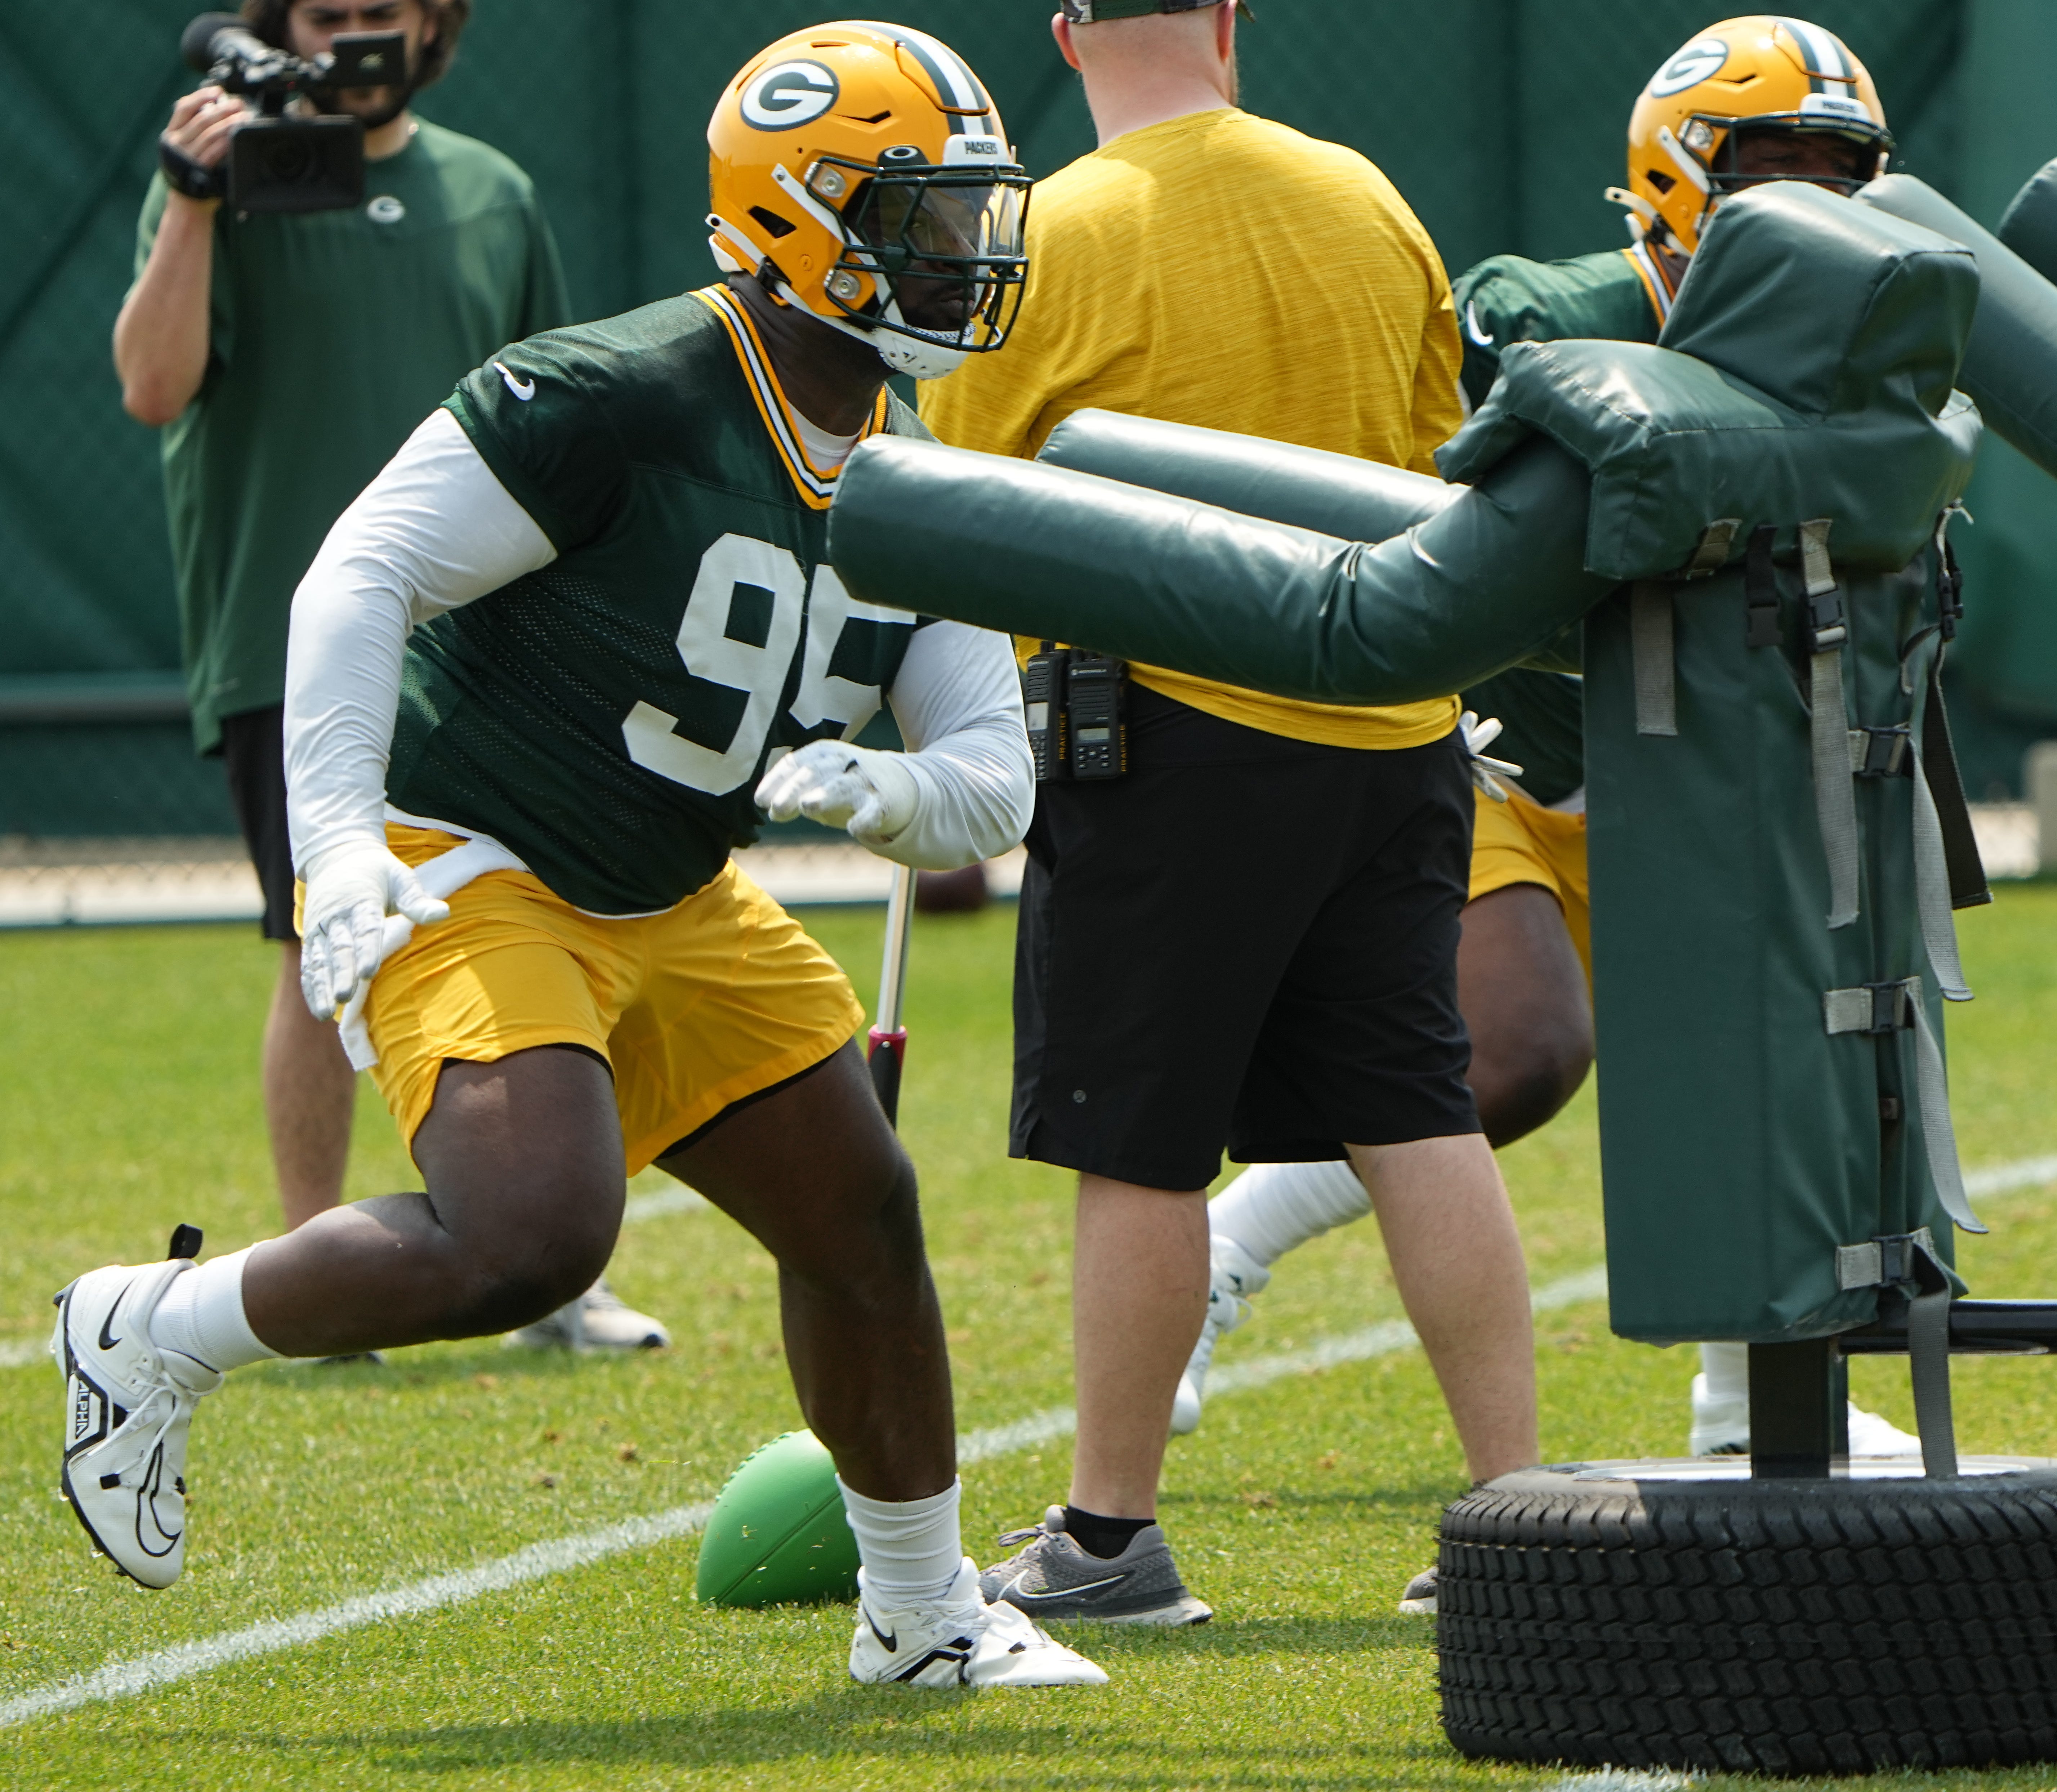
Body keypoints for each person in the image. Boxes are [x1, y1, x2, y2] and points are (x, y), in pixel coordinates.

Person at [58, 21, 1104, 1690]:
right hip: (474, 852)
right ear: (795, 218)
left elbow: (992, 774)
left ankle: (919, 1614)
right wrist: (331, 846)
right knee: (535, 1232)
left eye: (974, 217)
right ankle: (153, 1327)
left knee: (864, 1215)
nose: (963, 257)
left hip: (673, 886)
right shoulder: (623, 393)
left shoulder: (918, 463)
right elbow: (359, 574)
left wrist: (888, 796)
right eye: (921, 218)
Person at [1175, 20, 1923, 1573]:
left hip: (1707, 771)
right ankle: (1224, 1250)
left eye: (1837, 176)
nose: (1810, 209)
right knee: (1516, 1046)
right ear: (1671, 183)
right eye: (1771, 170)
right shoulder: (1560, 314)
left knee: (1778, 1057)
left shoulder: (1855, 342)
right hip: (1509, 737)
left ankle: (1745, 1391)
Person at [919, 0, 1536, 1625]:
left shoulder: (1039, 233)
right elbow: (1432, 459)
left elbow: (965, 501)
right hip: (1397, 726)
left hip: (1168, 737)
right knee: (1418, 1103)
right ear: (1226, 18)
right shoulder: (1365, 192)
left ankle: (1108, 1540)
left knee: (1136, 1139)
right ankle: (1515, 1506)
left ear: (1067, 32)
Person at [111, 0, 663, 1353]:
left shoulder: (491, 191)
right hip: (284, 639)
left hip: (494, 644)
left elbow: (567, 417)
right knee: (320, 942)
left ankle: (555, 1270)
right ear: (278, 29)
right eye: (328, 15)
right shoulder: (219, 188)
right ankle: (324, 1288)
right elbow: (149, 385)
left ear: (432, 29)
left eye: (380, 14)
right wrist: (192, 198)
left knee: (548, 920)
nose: (353, 39)